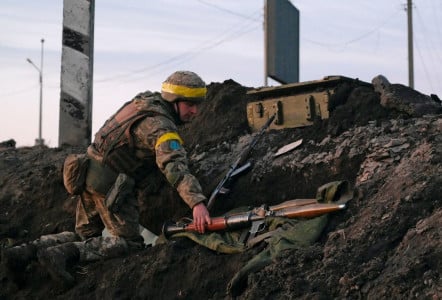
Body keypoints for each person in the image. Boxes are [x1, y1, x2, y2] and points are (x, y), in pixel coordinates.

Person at [1, 70, 212, 288]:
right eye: (190, 104)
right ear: (174, 100)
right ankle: (62, 254)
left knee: (85, 236)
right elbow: (174, 166)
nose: (195, 111)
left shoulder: (143, 102)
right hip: (109, 187)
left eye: (197, 105)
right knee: (129, 243)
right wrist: (197, 203)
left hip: (86, 171)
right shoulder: (161, 127)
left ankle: (22, 253)